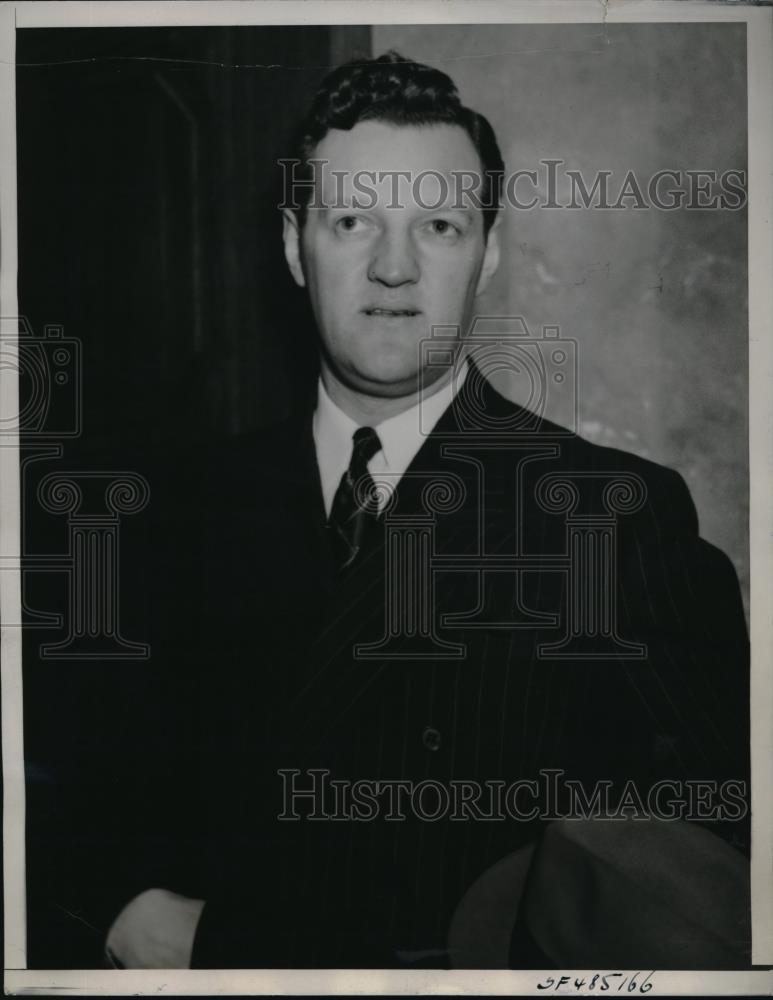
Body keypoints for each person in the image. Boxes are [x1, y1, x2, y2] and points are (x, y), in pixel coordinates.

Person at [103, 51, 750, 970]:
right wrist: (120, 904)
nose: (393, 267)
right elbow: (89, 797)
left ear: (487, 254)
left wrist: (231, 945)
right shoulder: (180, 508)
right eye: (352, 221)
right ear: (294, 246)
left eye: (438, 225)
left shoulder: (613, 520)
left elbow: (696, 901)